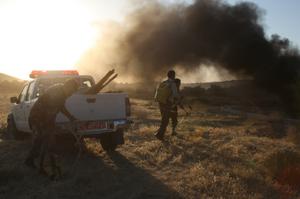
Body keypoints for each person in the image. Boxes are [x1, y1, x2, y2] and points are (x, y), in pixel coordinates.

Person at [25, 78, 80, 169]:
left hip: (47, 118)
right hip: (37, 117)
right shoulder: (56, 92)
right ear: (67, 86)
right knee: (39, 139)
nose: (71, 94)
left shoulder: (63, 93)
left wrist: (71, 117)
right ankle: (30, 161)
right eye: (71, 91)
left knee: (49, 140)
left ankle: (48, 163)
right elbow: (49, 109)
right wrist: (48, 125)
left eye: (73, 92)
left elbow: (61, 107)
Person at [155, 70, 179, 140]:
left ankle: (159, 134)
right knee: (165, 120)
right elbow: (175, 95)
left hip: (161, 103)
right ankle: (159, 135)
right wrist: (178, 98)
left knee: (164, 119)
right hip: (168, 103)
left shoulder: (163, 82)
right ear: (173, 75)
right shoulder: (172, 84)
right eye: (174, 75)